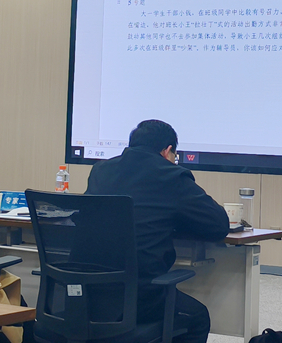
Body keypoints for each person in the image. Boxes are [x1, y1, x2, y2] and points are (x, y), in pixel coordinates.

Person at [86, 120, 229, 343]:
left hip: (87, 294)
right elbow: (218, 225)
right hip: (139, 297)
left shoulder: (100, 170)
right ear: (167, 151)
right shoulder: (171, 175)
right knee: (198, 317)